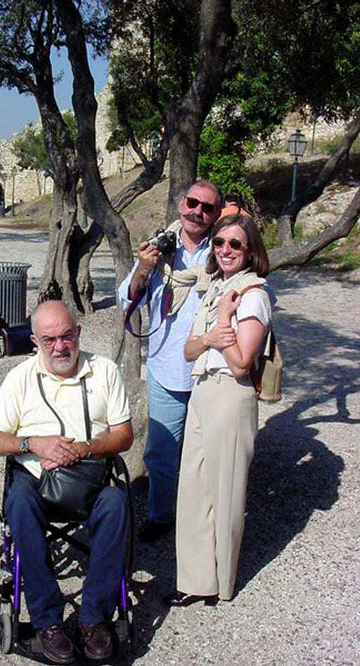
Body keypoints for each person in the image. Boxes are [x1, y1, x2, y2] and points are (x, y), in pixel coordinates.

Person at [0, 300, 133, 663]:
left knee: (117, 505)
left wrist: (85, 448)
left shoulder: (105, 371)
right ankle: (47, 620)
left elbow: (124, 435)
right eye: (49, 340)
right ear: (35, 340)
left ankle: (94, 619)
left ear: (78, 333)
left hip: (90, 475)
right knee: (18, 505)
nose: (60, 347)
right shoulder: (19, 378)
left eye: (67, 336)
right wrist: (34, 443)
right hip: (35, 479)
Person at [165, 212, 271, 607]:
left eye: (235, 244)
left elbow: (243, 361)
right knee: (192, 487)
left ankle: (222, 583)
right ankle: (195, 579)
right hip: (203, 390)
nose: (226, 250)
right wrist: (211, 333)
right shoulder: (214, 289)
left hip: (231, 393)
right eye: (220, 243)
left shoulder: (253, 295)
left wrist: (224, 321)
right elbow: (190, 349)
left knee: (225, 492)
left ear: (250, 251)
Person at [118, 180, 222, 542]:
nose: (198, 211)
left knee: (209, 451)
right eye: (193, 202)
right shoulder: (161, 247)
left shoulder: (222, 249)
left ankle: (204, 521)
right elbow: (128, 300)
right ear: (181, 204)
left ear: (215, 214)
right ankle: (161, 515)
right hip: (167, 368)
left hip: (211, 369)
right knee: (161, 453)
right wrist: (144, 269)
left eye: (207, 207)